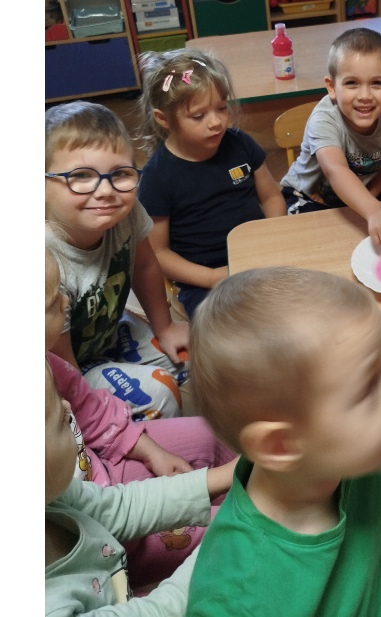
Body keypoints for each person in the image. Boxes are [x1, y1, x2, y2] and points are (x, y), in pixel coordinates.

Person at [183, 267, 381, 617]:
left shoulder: (328, 459)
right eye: (365, 391)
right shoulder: (240, 598)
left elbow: (376, 476)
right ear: (280, 446)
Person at [46, 247, 238, 587]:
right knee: (235, 534)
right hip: (112, 541)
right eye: (50, 305)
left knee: (214, 439)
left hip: (103, 482)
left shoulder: (47, 363)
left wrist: (151, 450)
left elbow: (89, 410)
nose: (65, 302)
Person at [45, 361, 235, 615]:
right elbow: (157, 610)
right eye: (60, 420)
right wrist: (228, 543)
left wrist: (227, 475)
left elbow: (118, 507)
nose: (68, 408)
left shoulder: (52, 498)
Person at [45, 101, 188, 421]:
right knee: (160, 394)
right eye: (81, 176)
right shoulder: (45, 260)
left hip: (107, 332)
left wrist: (164, 327)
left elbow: (145, 265)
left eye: (120, 173)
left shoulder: (125, 212)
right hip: (64, 368)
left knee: (194, 355)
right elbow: (66, 373)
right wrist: (89, 414)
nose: (106, 190)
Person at [135, 48, 286, 316]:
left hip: (258, 256)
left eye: (221, 108)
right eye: (198, 116)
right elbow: (158, 252)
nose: (216, 122)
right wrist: (211, 277)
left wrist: (272, 239)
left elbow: (271, 197)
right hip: (203, 280)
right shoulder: (158, 176)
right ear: (164, 119)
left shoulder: (240, 143)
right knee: (236, 327)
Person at [278, 27, 381, 252]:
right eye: (352, 83)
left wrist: (370, 201)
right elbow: (335, 169)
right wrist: (373, 211)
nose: (365, 96)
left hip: (364, 195)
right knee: (314, 251)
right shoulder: (323, 119)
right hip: (309, 198)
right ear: (332, 87)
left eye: (376, 83)